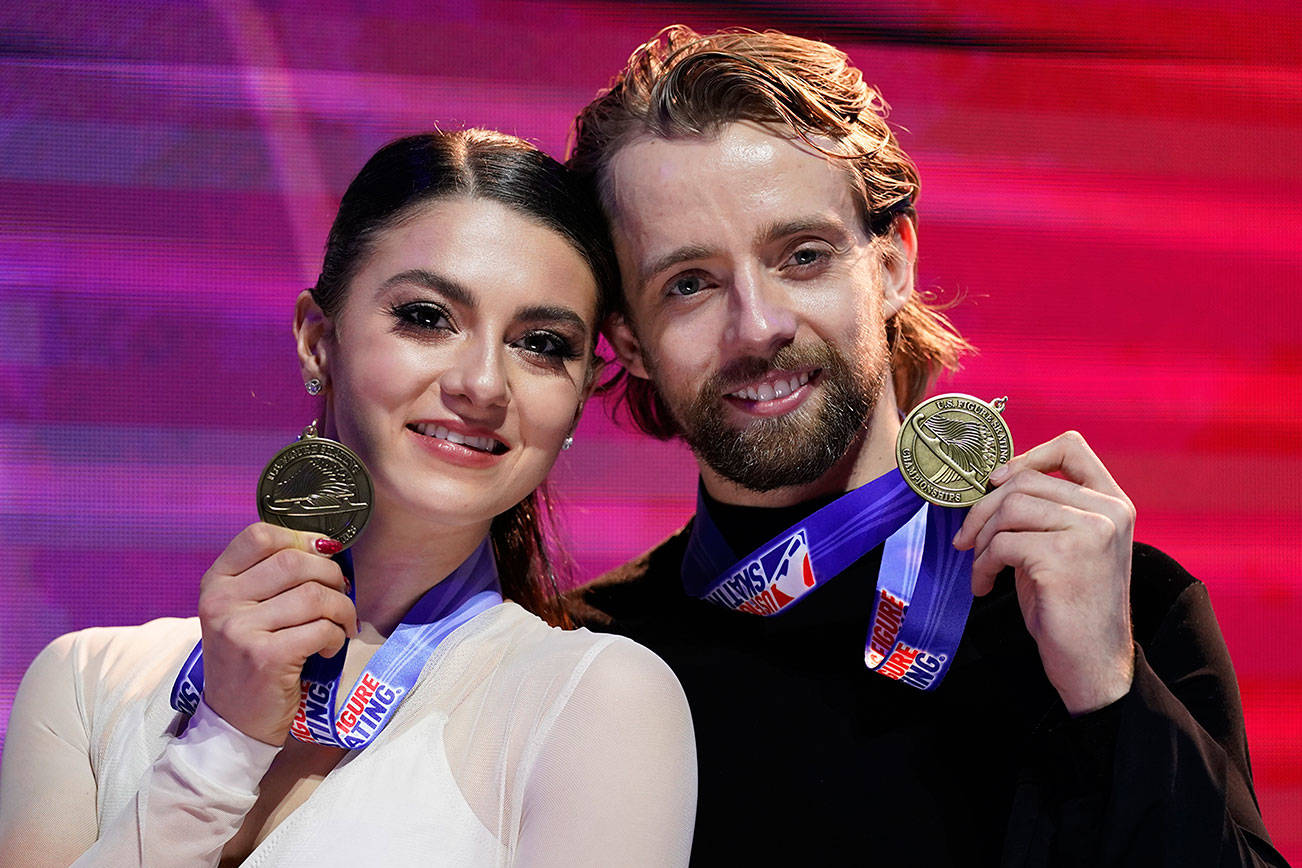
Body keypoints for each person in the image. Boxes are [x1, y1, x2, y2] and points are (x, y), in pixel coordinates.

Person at [564, 26, 1285, 867]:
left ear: (894, 264)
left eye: (802, 256)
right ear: (631, 339)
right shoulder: (585, 655)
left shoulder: (1117, 609)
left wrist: (1110, 695)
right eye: (689, 284)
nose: (757, 326)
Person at [0, 129, 696, 866]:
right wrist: (222, 745)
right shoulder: (85, 683)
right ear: (316, 339)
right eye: (428, 317)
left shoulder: (597, 704)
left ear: (582, 393)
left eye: (543, 343)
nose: (485, 384)